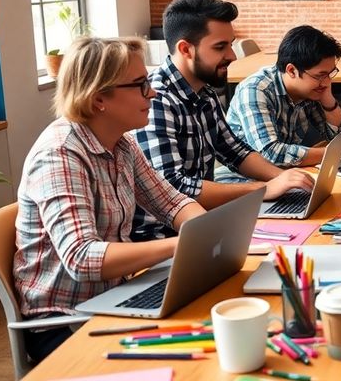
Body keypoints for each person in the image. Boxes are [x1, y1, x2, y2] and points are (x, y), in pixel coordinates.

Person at [14, 37, 209, 362]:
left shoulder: (122, 144)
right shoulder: (60, 154)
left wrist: (205, 229)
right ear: (98, 99)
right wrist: (183, 245)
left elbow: (172, 203)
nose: (153, 92)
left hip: (112, 299)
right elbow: (81, 258)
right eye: (140, 84)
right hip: (63, 323)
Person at [134, 0, 312, 241]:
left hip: (204, 224)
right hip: (164, 239)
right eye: (220, 47)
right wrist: (262, 190)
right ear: (186, 49)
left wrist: (281, 178)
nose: (232, 55)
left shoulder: (204, 92)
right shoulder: (157, 100)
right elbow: (173, 187)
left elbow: (234, 150)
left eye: (231, 44)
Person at [225, 25, 341, 168]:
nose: (328, 81)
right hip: (244, 178)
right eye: (320, 75)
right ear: (292, 70)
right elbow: (271, 154)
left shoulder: (311, 88)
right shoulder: (255, 90)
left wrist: (327, 97)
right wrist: (336, 153)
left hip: (286, 171)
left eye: (330, 74)